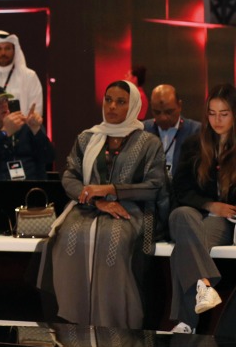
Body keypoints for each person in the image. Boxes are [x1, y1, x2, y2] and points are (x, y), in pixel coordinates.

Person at [37, 80, 166, 328]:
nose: (112, 107)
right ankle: (74, 325)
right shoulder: (87, 138)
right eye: (108, 100)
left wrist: (112, 191)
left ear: (133, 107)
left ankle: (116, 326)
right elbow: (70, 176)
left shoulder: (149, 143)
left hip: (132, 209)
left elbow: (155, 186)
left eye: (120, 102)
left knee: (112, 240)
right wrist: (97, 201)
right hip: (88, 207)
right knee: (67, 238)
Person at [167, 83, 236, 334]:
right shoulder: (194, 144)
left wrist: (221, 210)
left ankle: (187, 323)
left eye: (224, 114)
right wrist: (210, 205)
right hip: (195, 214)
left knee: (184, 249)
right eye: (212, 113)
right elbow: (181, 190)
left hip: (225, 220)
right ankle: (204, 285)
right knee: (180, 214)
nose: (217, 120)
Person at [143, 83, 200, 176]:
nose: (163, 118)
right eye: (157, 112)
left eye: (169, 112)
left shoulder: (196, 131)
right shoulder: (143, 130)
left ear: (180, 106)